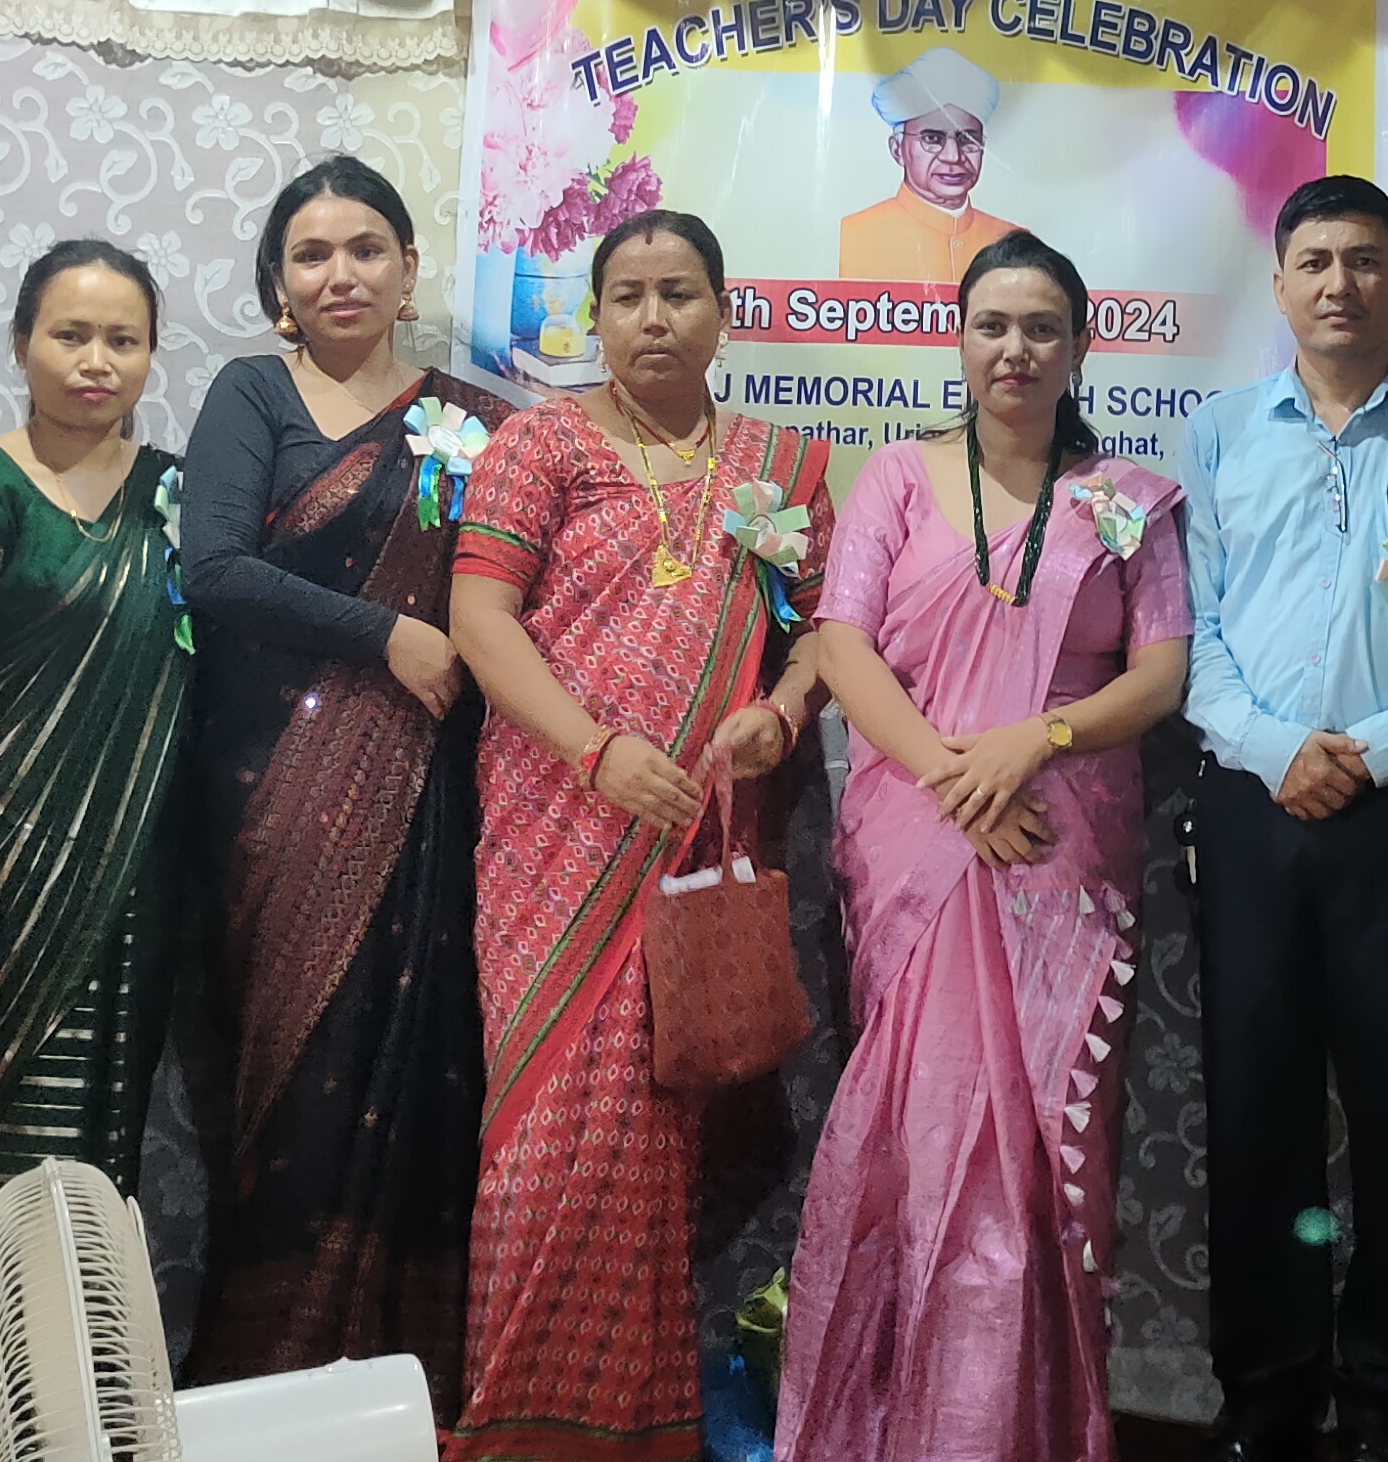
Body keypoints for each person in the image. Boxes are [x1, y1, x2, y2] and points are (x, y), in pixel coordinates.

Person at [784, 233, 1196, 1462]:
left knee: (1036, 1159)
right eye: (992, 325)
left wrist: (1037, 737)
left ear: (1080, 346)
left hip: (1062, 843)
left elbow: (1161, 673)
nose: (1015, 349)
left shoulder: (1125, 493)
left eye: (1041, 327)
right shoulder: (898, 477)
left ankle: (1017, 1430)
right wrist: (957, 778)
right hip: (921, 833)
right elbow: (843, 644)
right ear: (959, 341)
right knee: (916, 1146)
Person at [450, 210, 835, 1462]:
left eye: (679, 293)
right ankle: (517, 1427)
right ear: (597, 314)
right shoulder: (539, 443)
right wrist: (594, 748)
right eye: (627, 294)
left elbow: (829, 631)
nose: (654, 317)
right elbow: (480, 621)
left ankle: (635, 1429)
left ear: (725, 310)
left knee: (649, 1142)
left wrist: (783, 711)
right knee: (544, 1133)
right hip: (553, 833)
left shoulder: (781, 462)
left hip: (693, 843)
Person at [1176, 176, 1388, 1462]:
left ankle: (1386, 1397)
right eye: (1314, 261)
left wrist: (1374, 751)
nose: (1339, 283)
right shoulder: (1217, 433)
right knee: (1254, 1110)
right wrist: (1275, 752)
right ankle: (1266, 1392)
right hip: (1253, 812)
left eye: (1365, 260)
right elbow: (1194, 632)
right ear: (1278, 285)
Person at [180, 156, 513, 1394]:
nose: (341, 274)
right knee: (292, 1081)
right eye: (311, 254)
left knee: (423, 1072)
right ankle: (269, 1385)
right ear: (277, 280)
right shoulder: (253, 394)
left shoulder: (480, 420)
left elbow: (523, 590)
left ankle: (406, 1386)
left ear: (409, 268)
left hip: (434, 793)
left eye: (366, 248)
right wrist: (389, 635)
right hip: (271, 794)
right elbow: (214, 568)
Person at [0, 239, 197, 1459]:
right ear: (21, 341)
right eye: (69, 334)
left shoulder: (178, 492)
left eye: (123, 339)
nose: (95, 361)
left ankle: (84, 1431)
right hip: (6, 875)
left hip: (130, 879)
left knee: (96, 1162)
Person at [836, 48, 1027, 283]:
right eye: (932, 139)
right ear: (897, 149)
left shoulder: (1016, 244)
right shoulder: (852, 235)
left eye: (967, 139)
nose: (953, 156)